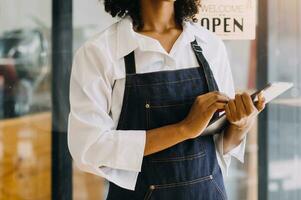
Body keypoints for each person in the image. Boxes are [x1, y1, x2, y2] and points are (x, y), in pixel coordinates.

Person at [67, 0, 265, 199]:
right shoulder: (100, 52)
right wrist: (184, 129)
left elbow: (221, 146)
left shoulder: (210, 45)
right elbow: (90, 148)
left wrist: (240, 125)